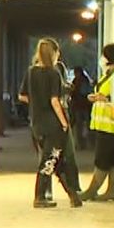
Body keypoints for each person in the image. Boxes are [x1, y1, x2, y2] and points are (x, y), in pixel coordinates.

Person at [20, 38, 81, 209]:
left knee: (55, 160)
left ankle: (73, 196)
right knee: (49, 161)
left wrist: (36, 102)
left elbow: (22, 96)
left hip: (37, 124)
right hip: (53, 125)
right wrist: (64, 123)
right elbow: (55, 101)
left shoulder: (31, 72)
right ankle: (39, 196)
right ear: (53, 53)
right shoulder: (53, 73)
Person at [84, 44, 114, 202]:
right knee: (112, 159)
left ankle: (92, 190)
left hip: (111, 125)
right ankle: (112, 190)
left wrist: (105, 99)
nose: (101, 59)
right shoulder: (109, 75)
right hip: (104, 125)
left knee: (102, 158)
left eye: (103, 55)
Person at [68, 66, 94, 150]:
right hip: (84, 106)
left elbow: (78, 93)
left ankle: (81, 145)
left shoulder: (78, 81)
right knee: (86, 126)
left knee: (80, 126)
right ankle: (87, 144)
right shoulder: (83, 80)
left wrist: (73, 91)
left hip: (80, 106)